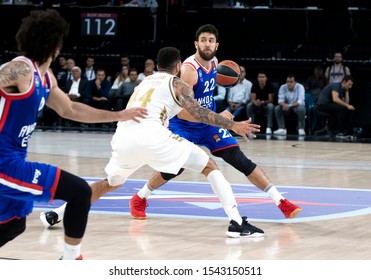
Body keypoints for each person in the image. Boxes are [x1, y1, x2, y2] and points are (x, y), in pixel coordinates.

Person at [41, 46, 265, 238]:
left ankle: (56, 214)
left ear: (157, 65)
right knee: (208, 165)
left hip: (124, 136)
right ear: (178, 66)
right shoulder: (178, 84)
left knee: (110, 182)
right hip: (152, 134)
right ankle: (236, 223)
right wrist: (231, 125)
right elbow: (197, 112)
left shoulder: (145, 82)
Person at [0, 9, 147, 260]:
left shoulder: (44, 77)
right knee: (79, 192)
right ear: (56, 45)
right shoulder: (18, 71)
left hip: (14, 162)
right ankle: (71, 261)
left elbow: (69, 108)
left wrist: (119, 115)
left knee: (15, 223)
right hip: (5, 164)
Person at [128, 25, 301, 225]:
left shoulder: (216, 63)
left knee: (240, 160)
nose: (207, 44)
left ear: (216, 45)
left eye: (211, 40)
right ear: (196, 44)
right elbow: (185, 110)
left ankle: (281, 202)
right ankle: (140, 197)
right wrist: (222, 119)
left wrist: (217, 116)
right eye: (203, 40)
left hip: (208, 123)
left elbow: (205, 97)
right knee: (175, 168)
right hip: (183, 124)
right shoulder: (188, 71)